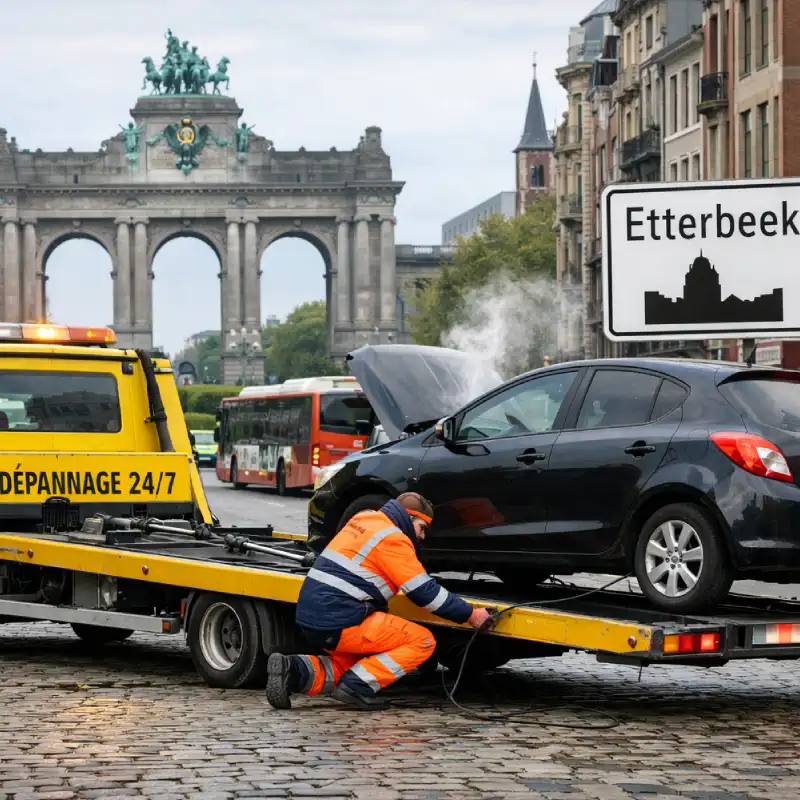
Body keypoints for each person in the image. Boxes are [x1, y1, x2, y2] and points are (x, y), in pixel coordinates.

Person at [266, 492, 493, 711]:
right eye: (422, 528)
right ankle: (357, 687)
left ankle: (292, 670)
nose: (422, 536)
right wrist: (471, 615)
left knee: (347, 667)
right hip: (341, 619)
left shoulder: (364, 518)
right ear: (409, 518)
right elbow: (424, 593)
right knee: (422, 641)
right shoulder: (394, 538)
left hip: (313, 615)